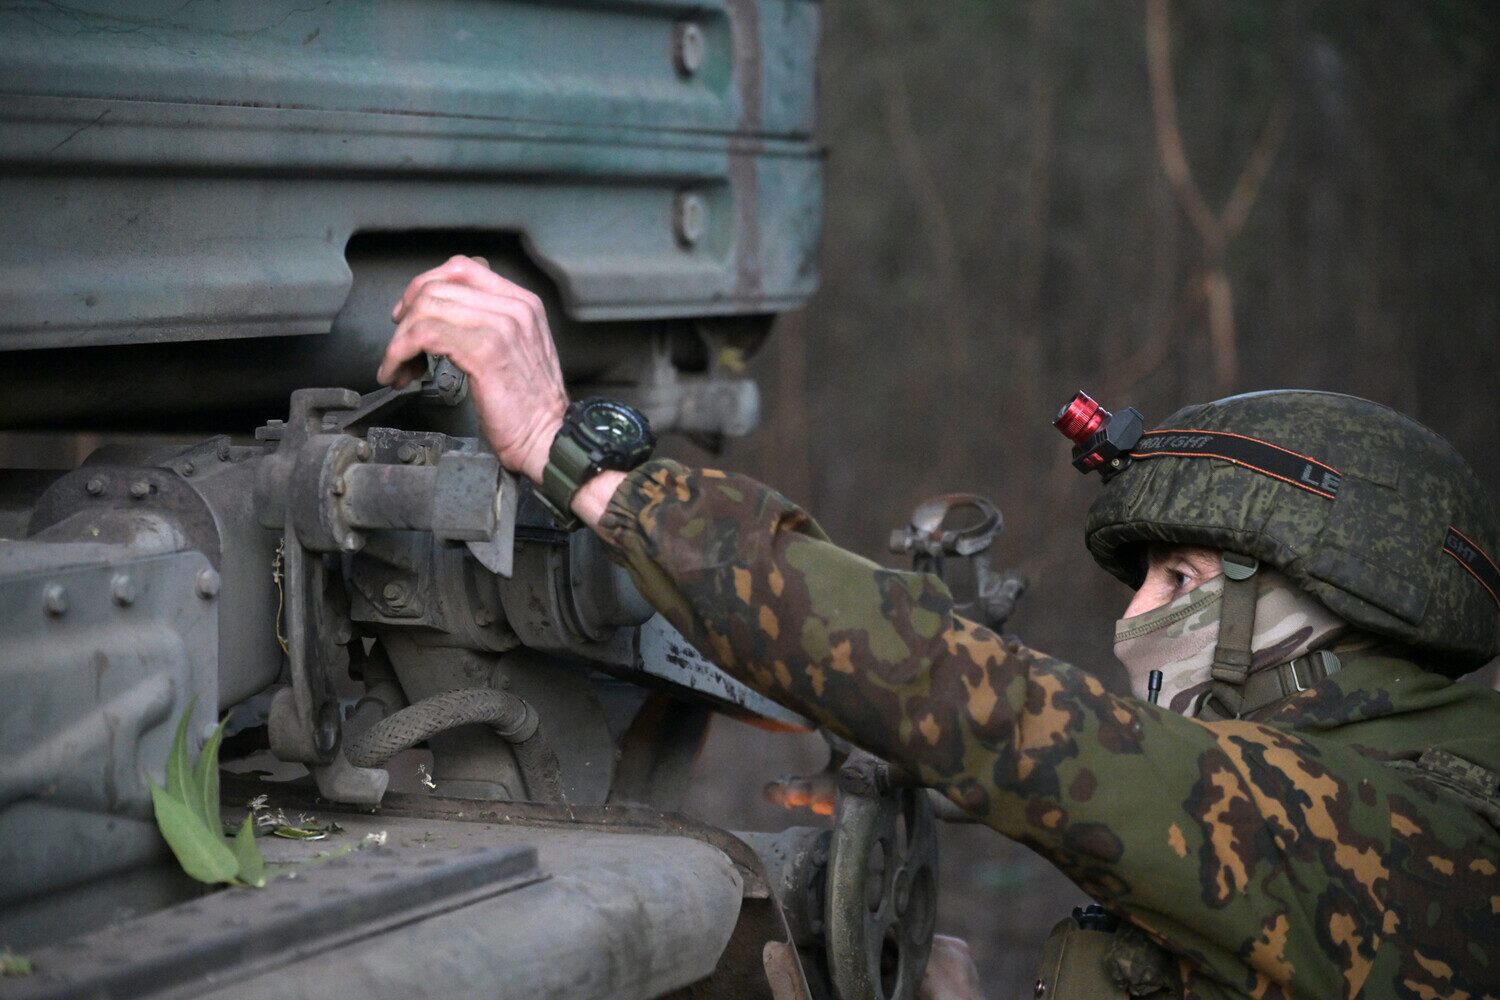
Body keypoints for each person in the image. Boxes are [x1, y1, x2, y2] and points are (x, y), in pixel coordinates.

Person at [378, 256, 1500, 999]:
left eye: (1182, 578)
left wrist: (582, 463)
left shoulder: (1396, 838)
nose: (1135, 619)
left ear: (1313, 621)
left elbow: (987, 713)